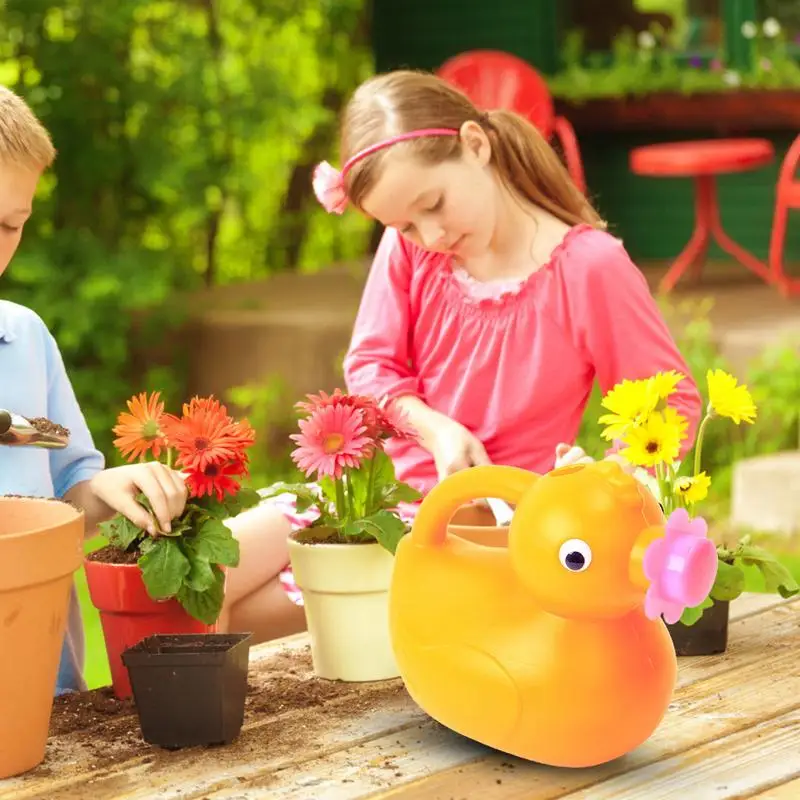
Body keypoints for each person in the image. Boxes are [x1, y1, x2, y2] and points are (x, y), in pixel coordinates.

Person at [266, 69, 701, 605]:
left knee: (259, 612)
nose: (430, 236)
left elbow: (669, 401)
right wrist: (434, 430)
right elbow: (371, 365)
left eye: (432, 206)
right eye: (404, 225)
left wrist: (601, 480)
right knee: (212, 565)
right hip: (381, 504)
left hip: (488, 533)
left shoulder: (587, 269)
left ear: (475, 145)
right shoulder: (411, 251)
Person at [0, 85, 303, 691]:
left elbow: (70, 498)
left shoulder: (24, 340)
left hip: (49, 699)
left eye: (11, 224)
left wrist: (107, 490)